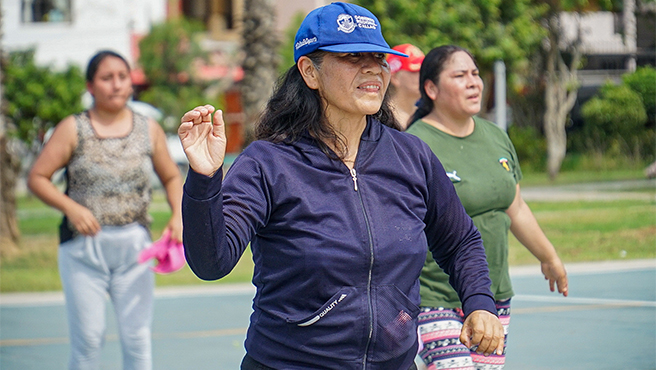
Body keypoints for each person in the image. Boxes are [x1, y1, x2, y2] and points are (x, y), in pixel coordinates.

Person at [178, 3, 504, 369]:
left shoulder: (411, 155)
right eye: (352, 57)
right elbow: (211, 262)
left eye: (379, 58)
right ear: (309, 72)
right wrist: (205, 179)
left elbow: (460, 240)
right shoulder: (268, 162)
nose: (372, 69)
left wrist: (479, 303)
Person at [405, 45, 569, 370]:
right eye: (460, 75)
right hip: (436, 296)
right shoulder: (415, 145)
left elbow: (515, 206)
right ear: (431, 88)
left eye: (476, 74)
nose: (474, 82)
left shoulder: (496, 137)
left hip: (492, 296)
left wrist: (549, 257)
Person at [27, 50, 183, 370]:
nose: (115, 85)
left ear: (131, 83)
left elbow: (170, 176)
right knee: (89, 340)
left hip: (134, 249)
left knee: (137, 339)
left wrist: (178, 216)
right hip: (84, 251)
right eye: (106, 78)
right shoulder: (73, 128)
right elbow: (37, 178)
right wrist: (71, 208)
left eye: (122, 77)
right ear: (90, 86)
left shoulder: (147, 129)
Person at [387, 43, 425, 129]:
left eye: (423, 70)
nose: (422, 76)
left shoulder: (427, 116)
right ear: (395, 78)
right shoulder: (382, 119)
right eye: (414, 72)